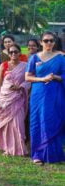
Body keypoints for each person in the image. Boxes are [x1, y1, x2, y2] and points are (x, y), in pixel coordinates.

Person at [25, 31, 65, 165]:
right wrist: (42, 79)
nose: (49, 43)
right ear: (41, 42)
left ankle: (54, 154)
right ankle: (37, 154)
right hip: (38, 94)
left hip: (55, 94)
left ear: (54, 42)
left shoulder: (60, 58)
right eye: (46, 40)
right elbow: (27, 77)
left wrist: (55, 77)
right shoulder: (34, 58)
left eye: (51, 41)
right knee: (37, 121)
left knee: (53, 120)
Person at [0, 44, 30, 156]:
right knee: (5, 125)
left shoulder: (25, 66)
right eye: (11, 52)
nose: (13, 54)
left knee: (18, 124)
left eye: (16, 52)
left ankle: (19, 149)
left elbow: (29, 81)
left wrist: (20, 86)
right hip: (4, 99)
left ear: (19, 53)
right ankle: (7, 148)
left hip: (18, 98)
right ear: (8, 54)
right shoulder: (3, 65)